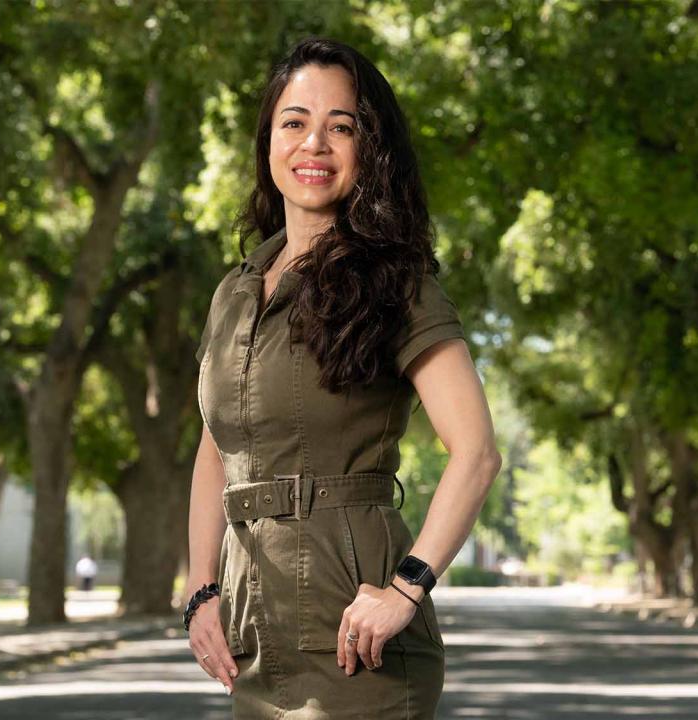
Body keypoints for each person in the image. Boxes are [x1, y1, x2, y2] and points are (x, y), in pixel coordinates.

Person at [182, 36, 501, 720]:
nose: (315, 145)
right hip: (252, 633)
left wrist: (406, 589)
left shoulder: (400, 285)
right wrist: (201, 590)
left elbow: (476, 452)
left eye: (342, 127)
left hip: (356, 638)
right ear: (268, 140)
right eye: (294, 122)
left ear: (370, 148)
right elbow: (217, 446)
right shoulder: (233, 293)